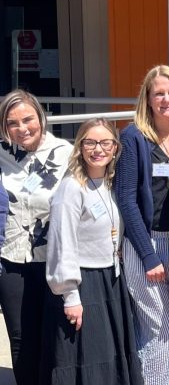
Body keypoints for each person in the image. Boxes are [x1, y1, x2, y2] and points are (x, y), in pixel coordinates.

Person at [40, 118, 143, 384]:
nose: (98, 149)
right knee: (89, 360)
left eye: (105, 142)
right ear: (80, 146)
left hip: (111, 279)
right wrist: (70, 295)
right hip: (85, 283)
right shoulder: (72, 187)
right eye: (91, 142)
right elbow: (62, 243)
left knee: (110, 358)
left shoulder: (111, 185)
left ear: (115, 147)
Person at [115, 65, 169, 384]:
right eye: (158, 93)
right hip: (145, 245)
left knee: (164, 334)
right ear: (147, 99)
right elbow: (126, 199)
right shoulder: (133, 137)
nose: (166, 99)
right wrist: (149, 256)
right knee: (164, 336)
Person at [0, 89, 73, 385]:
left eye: (28, 119)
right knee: (20, 338)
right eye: (13, 123)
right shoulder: (1, 153)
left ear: (41, 117)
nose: (22, 128)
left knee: (54, 334)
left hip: (53, 258)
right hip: (11, 258)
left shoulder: (65, 152)